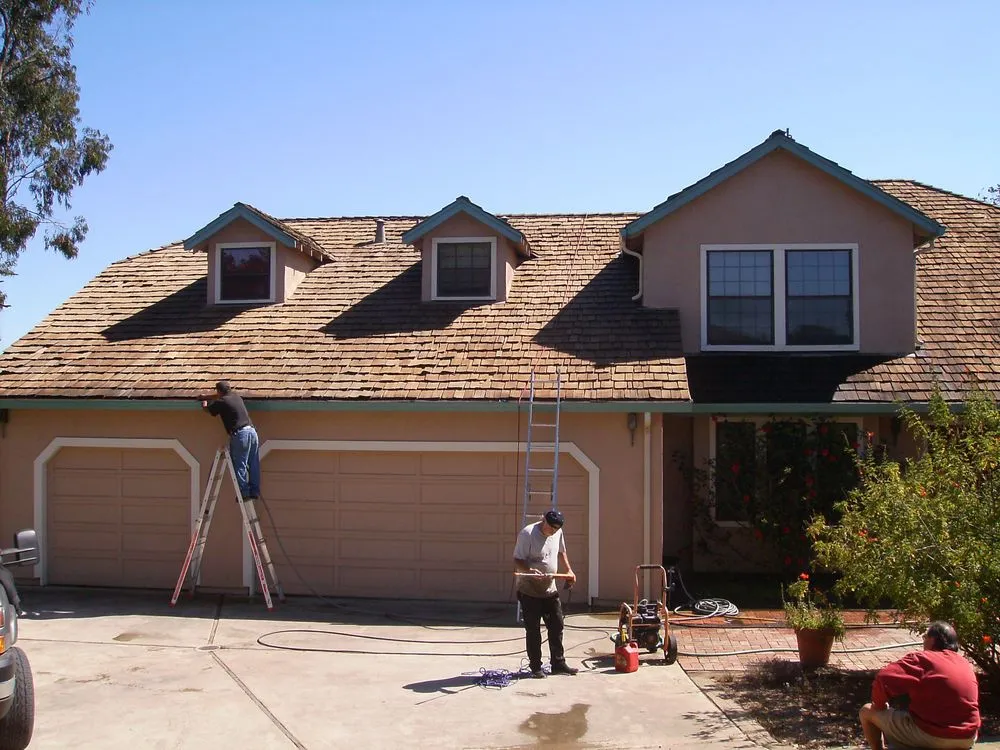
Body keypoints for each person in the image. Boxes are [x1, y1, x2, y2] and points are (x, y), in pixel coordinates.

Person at [859, 621, 980, 750]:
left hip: (934, 736)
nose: (923, 641)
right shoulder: (965, 663)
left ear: (933, 639)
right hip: (968, 737)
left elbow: (883, 679)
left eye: (925, 637)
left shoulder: (923, 659)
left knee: (866, 711)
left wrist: (879, 705)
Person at [513, 509, 578, 679]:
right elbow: (517, 559)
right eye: (551, 528)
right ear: (544, 520)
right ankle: (535, 667)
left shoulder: (558, 532)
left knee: (557, 625)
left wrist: (569, 570)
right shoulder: (527, 534)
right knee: (533, 630)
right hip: (529, 589)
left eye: (556, 529)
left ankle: (558, 663)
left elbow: (561, 551)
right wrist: (529, 570)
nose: (553, 531)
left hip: (549, 588)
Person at [201, 381, 260, 502]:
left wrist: (204, 404)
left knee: (240, 464)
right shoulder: (236, 397)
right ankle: (254, 491)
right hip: (252, 433)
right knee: (253, 463)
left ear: (219, 392)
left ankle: (244, 493)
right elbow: (219, 396)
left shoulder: (222, 402)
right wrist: (207, 396)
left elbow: (210, 410)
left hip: (240, 435)